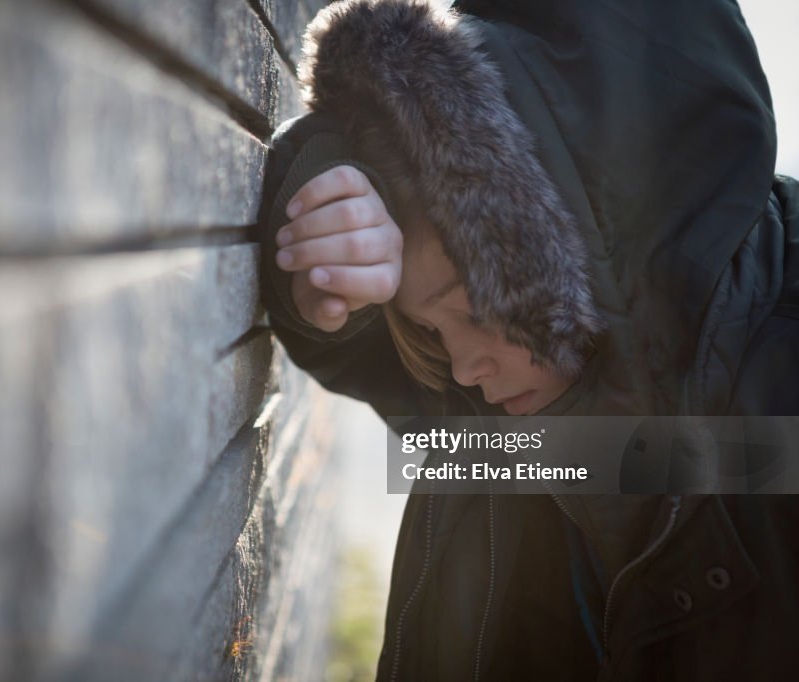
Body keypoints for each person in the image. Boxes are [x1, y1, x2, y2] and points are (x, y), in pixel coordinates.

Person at [257, 0, 799, 679]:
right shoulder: (505, 421)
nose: (464, 368)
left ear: (591, 244)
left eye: (476, 309)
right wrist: (323, 200)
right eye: (428, 327)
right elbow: (351, 343)